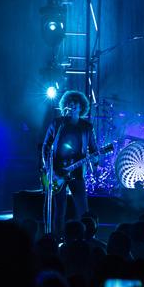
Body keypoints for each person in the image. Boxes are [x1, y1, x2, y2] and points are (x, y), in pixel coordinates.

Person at [42, 90, 98, 236]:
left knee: (83, 209)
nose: (71, 106)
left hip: (77, 173)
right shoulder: (57, 124)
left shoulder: (86, 127)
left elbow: (93, 149)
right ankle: (58, 237)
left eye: (75, 104)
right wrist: (49, 169)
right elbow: (46, 146)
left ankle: (85, 237)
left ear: (81, 107)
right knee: (59, 209)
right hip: (57, 173)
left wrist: (96, 159)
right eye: (69, 104)